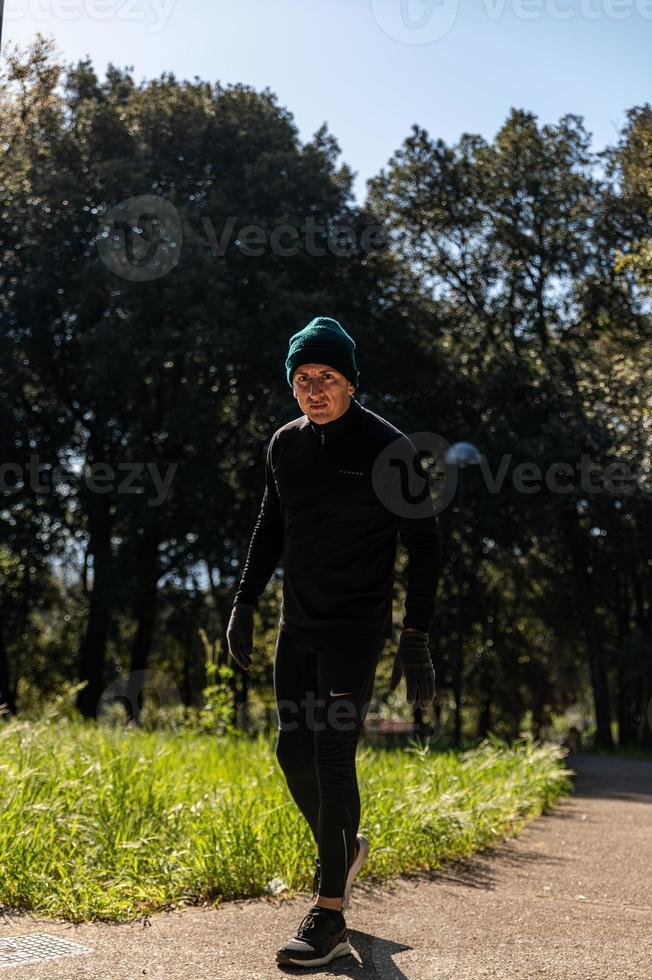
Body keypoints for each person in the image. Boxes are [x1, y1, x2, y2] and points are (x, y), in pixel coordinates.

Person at [226, 316, 442, 967]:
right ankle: (343, 854)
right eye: (301, 379)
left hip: (356, 630)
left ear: (350, 381)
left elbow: (425, 543)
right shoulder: (285, 445)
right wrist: (244, 600)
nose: (313, 389)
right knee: (290, 751)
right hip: (299, 626)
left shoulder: (388, 449)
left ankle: (330, 915)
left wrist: (415, 636)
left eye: (326, 377)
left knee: (329, 755)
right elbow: (271, 521)